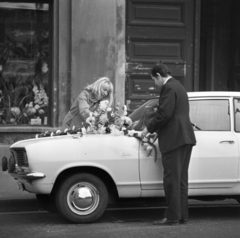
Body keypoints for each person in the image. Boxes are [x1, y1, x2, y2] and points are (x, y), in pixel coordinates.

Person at [142, 61, 196, 226]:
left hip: (174, 139)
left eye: (154, 80)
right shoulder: (179, 86)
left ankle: (172, 216)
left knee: (172, 179)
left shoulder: (169, 88)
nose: (155, 84)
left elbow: (164, 114)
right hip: (185, 137)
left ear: (158, 76)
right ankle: (181, 215)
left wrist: (148, 128)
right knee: (180, 179)